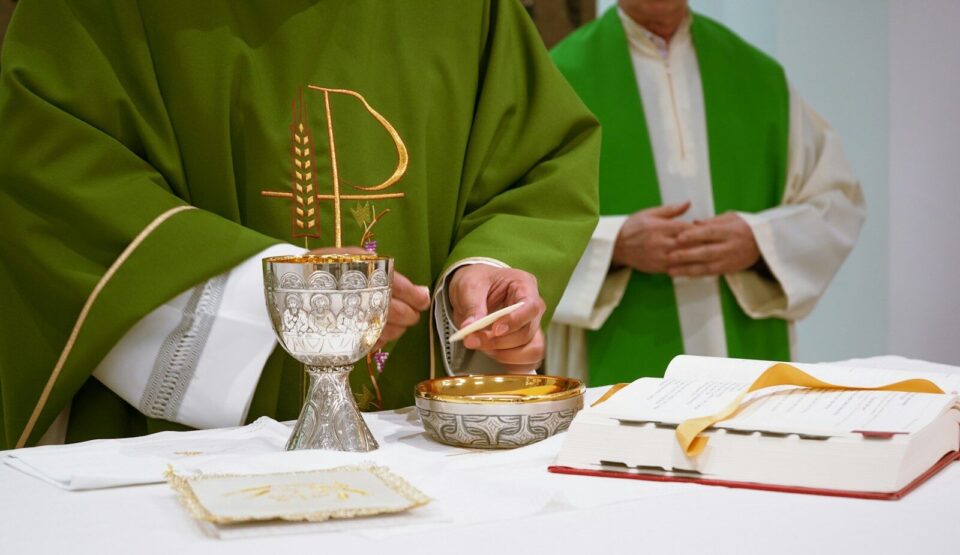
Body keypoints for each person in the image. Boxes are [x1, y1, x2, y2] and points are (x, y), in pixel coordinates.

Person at [0, 0, 600, 448]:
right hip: (183, 453)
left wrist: (480, 278)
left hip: (413, 442)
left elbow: (536, 164)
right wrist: (265, 295)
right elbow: (49, 179)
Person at [547, 0, 865, 385]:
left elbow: (837, 203)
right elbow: (522, 222)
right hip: (614, 349)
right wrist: (614, 244)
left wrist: (759, 239)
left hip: (742, 352)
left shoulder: (757, 75)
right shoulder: (560, 78)